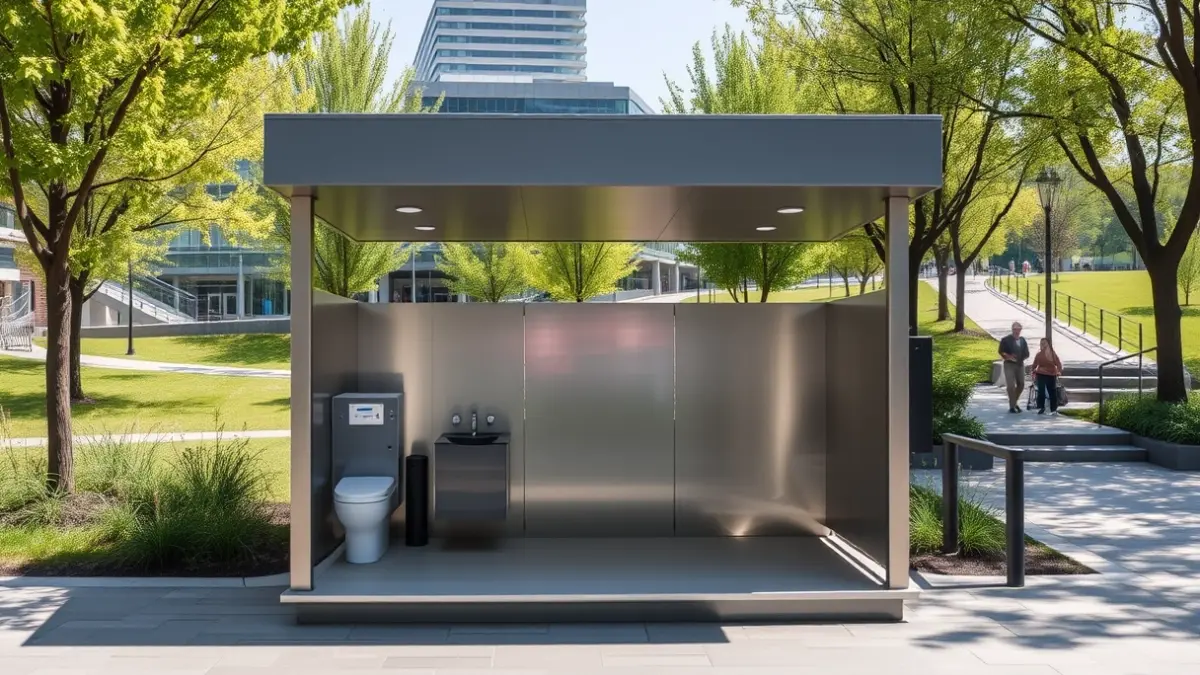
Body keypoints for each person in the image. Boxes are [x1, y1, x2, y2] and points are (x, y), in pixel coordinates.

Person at [998, 322, 1030, 413]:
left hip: (1019, 364)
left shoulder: (1022, 340)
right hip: (1009, 364)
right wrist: (1008, 356)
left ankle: (1014, 402)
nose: (1017, 331)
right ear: (1012, 330)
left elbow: (1027, 353)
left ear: (1020, 330)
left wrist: (1022, 357)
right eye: (1015, 329)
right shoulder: (1006, 340)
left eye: (1018, 329)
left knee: (1021, 384)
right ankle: (1012, 406)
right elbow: (1001, 351)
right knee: (1011, 386)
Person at [1032, 338, 1063, 415]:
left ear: (1048, 344)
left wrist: (1059, 371)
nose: (1043, 345)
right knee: (1041, 391)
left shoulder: (1052, 354)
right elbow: (1035, 364)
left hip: (1051, 374)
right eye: (1041, 343)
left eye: (1044, 343)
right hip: (1041, 373)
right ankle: (1041, 407)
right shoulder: (1039, 354)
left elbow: (1058, 363)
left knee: (1052, 391)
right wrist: (1032, 371)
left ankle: (1053, 409)